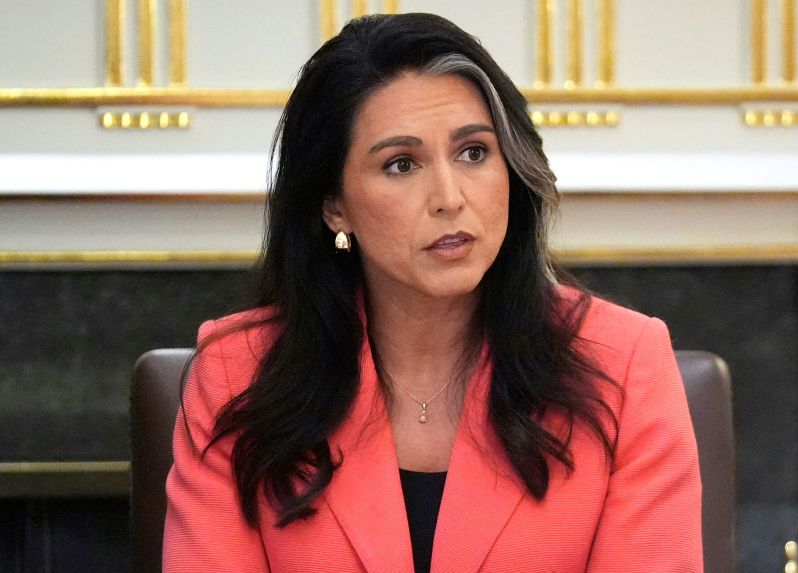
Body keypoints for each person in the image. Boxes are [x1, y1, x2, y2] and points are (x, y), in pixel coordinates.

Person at [163, 12, 702, 573]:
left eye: (474, 153)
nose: (449, 197)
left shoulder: (626, 364)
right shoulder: (236, 374)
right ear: (334, 206)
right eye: (401, 164)